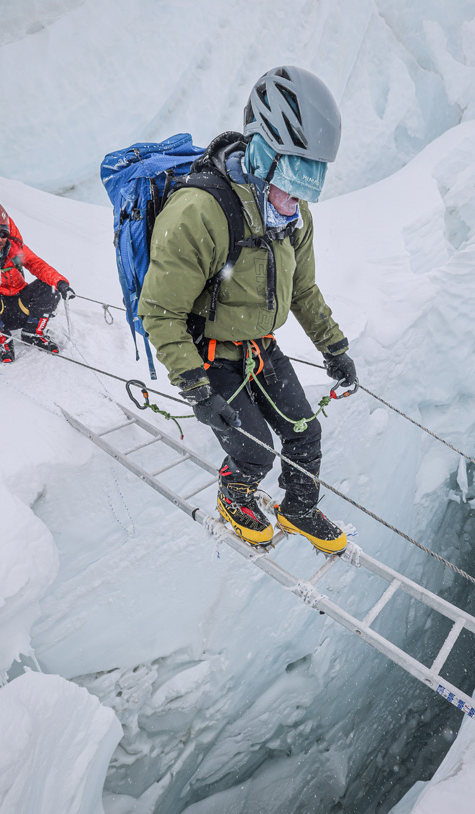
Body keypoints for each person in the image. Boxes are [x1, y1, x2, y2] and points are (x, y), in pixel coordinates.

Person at [139, 66, 357, 554]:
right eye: (294, 176)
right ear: (262, 155)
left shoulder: (292, 213)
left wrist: (334, 346)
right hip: (209, 351)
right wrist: (195, 388)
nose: (299, 197)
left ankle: (297, 509)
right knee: (254, 449)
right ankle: (235, 490)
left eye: (311, 180)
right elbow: (158, 310)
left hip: (259, 344)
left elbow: (302, 290)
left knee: (305, 435)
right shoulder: (199, 212)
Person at [0, 194, 75, 362]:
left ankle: (33, 332)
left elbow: (34, 263)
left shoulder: (12, 248)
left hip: (18, 304)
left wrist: (60, 282)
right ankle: (1, 338)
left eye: (3, 234)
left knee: (50, 285)